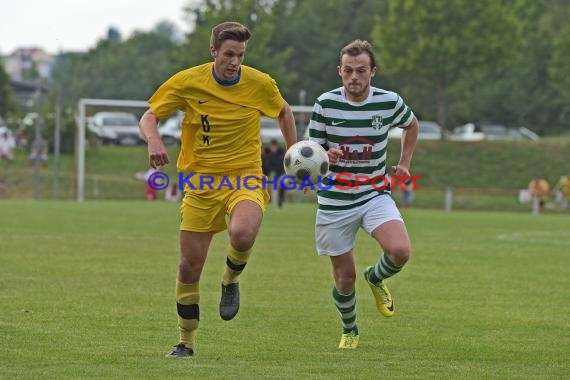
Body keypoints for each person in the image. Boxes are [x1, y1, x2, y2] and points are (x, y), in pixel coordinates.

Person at [138, 21, 297, 358]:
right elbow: (149, 117)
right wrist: (154, 140)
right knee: (188, 267)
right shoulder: (188, 81)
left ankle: (230, 280)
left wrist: (293, 151)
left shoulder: (259, 83)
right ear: (213, 52)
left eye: (240, 55)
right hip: (200, 184)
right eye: (228, 54)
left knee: (242, 232)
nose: (234, 61)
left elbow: (283, 111)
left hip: (245, 176)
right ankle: (186, 342)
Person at [307, 40, 419, 349]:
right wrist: (324, 154)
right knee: (344, 279)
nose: (353, 77)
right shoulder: (325, 103)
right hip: (334, 200)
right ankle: (350, 329)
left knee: (400, 251)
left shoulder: (389, 101)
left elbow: (411, 124)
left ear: (372, 72)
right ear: (339, 71)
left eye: (360, 71)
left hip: (374, 193)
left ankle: (376, 276)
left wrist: (405, 163)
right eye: (347, 71)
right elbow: (309, 150)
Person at [262, 139, 286, 207]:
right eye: (272, 146)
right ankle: (266, 200)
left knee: (282, 184)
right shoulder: (266, 151)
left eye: (275, 146)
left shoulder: (281, 151)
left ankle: (280, 200)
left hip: (279, 171)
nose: (273, 148)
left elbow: (284, 162)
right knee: (264, 185)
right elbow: (262, 161)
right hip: (266, 171)